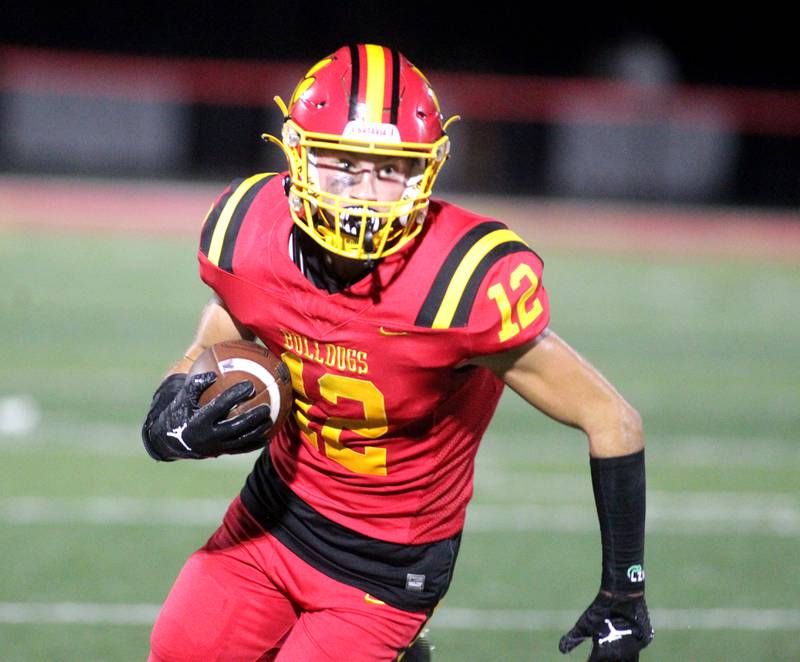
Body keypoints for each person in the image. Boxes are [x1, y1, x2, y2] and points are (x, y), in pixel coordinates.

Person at [141, 44, 654, 661]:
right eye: (344, 164)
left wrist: (624, 592)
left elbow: (613, 420)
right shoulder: (249, 225)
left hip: (385, 568)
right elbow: (234, 312)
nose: (365, 193)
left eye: (390, 169)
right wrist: (176, 390)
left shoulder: (460, 281)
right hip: (272, 516)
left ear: (425, 171)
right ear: (298, 158)